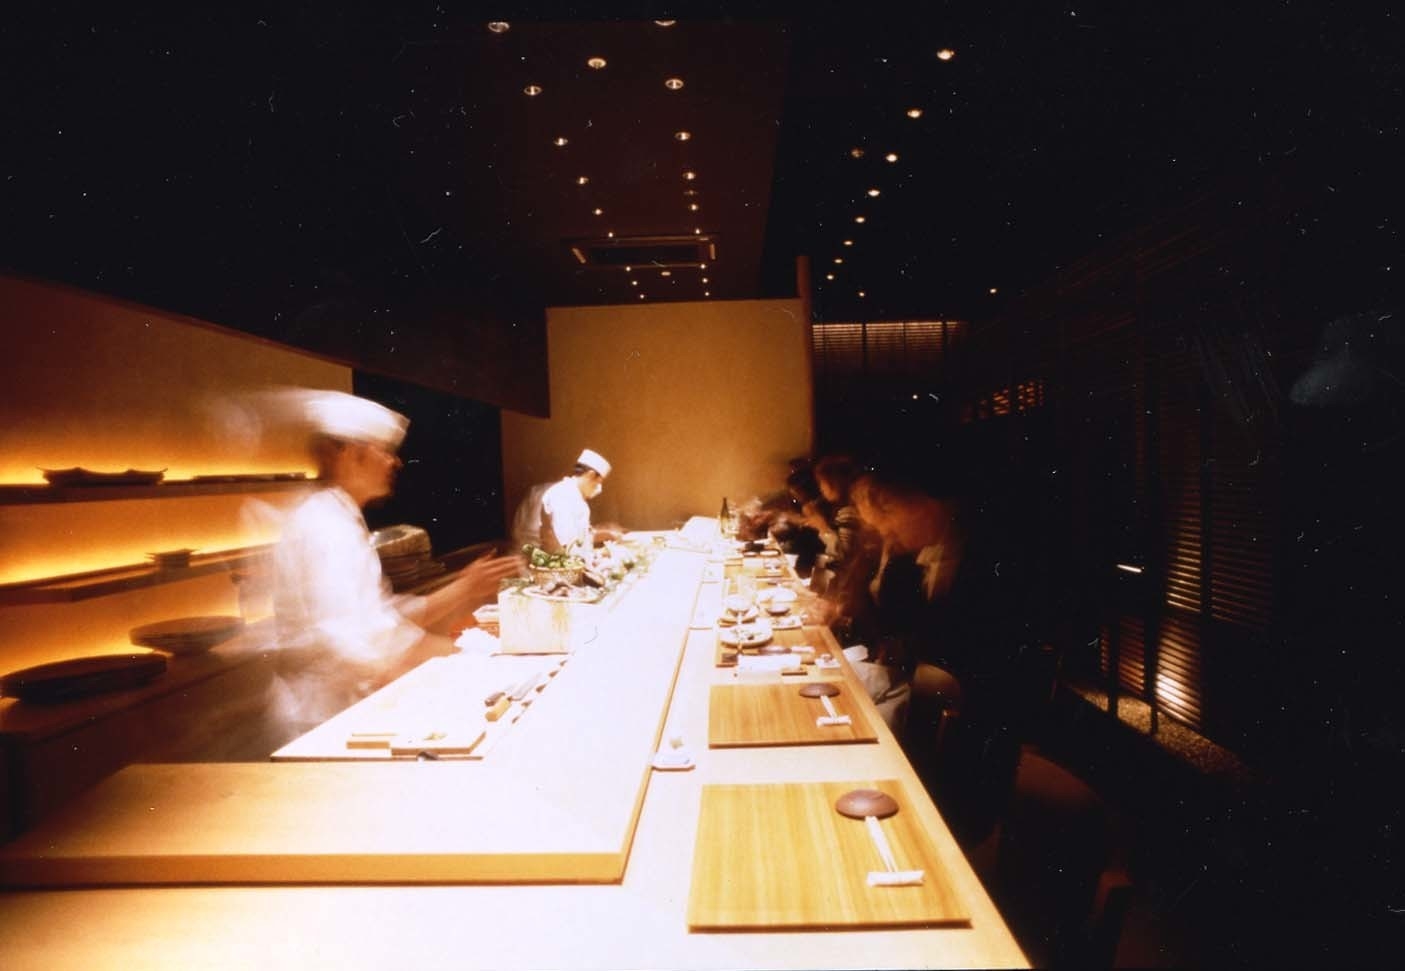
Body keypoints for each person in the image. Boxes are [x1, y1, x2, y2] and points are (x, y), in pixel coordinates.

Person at [269, 390, 523, 737]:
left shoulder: (339, 516)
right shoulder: (326, 528)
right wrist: (476, 658)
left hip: (342, 706)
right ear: (350, 454)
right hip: (321, 716)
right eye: (384, 450)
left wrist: (464, 588)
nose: (395, 462)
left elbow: (383, 616)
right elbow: (362, 644)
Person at [530, 448, 620, 553]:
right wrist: (600, 553)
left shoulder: (576, 497)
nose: (599, 488)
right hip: (560, 562)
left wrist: (606, 536)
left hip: (576, 560)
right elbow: (567, 544)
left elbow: (581, 538)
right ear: (590, 475)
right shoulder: (561, 494)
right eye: (598, 482)